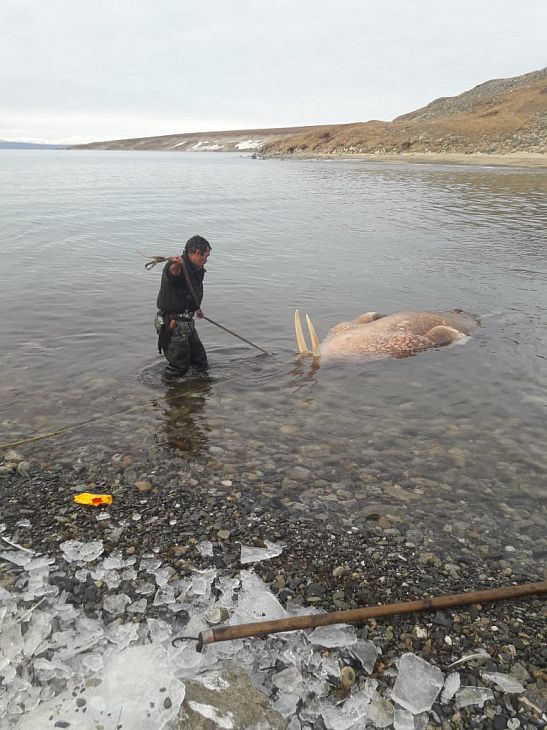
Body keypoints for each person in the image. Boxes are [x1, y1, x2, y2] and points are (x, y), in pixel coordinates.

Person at [155, 235, 212, 379]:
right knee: (179, 367)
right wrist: (175, 264)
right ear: (197, 253)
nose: (207, 259)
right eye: (206, 256)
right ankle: (170, 394)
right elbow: (172, 273)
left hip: (187, 322)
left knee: (200, 362)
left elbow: (191, 290)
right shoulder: (178, 267)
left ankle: (199, 389)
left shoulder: (197, 268)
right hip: (172, 324)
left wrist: (197, 307)